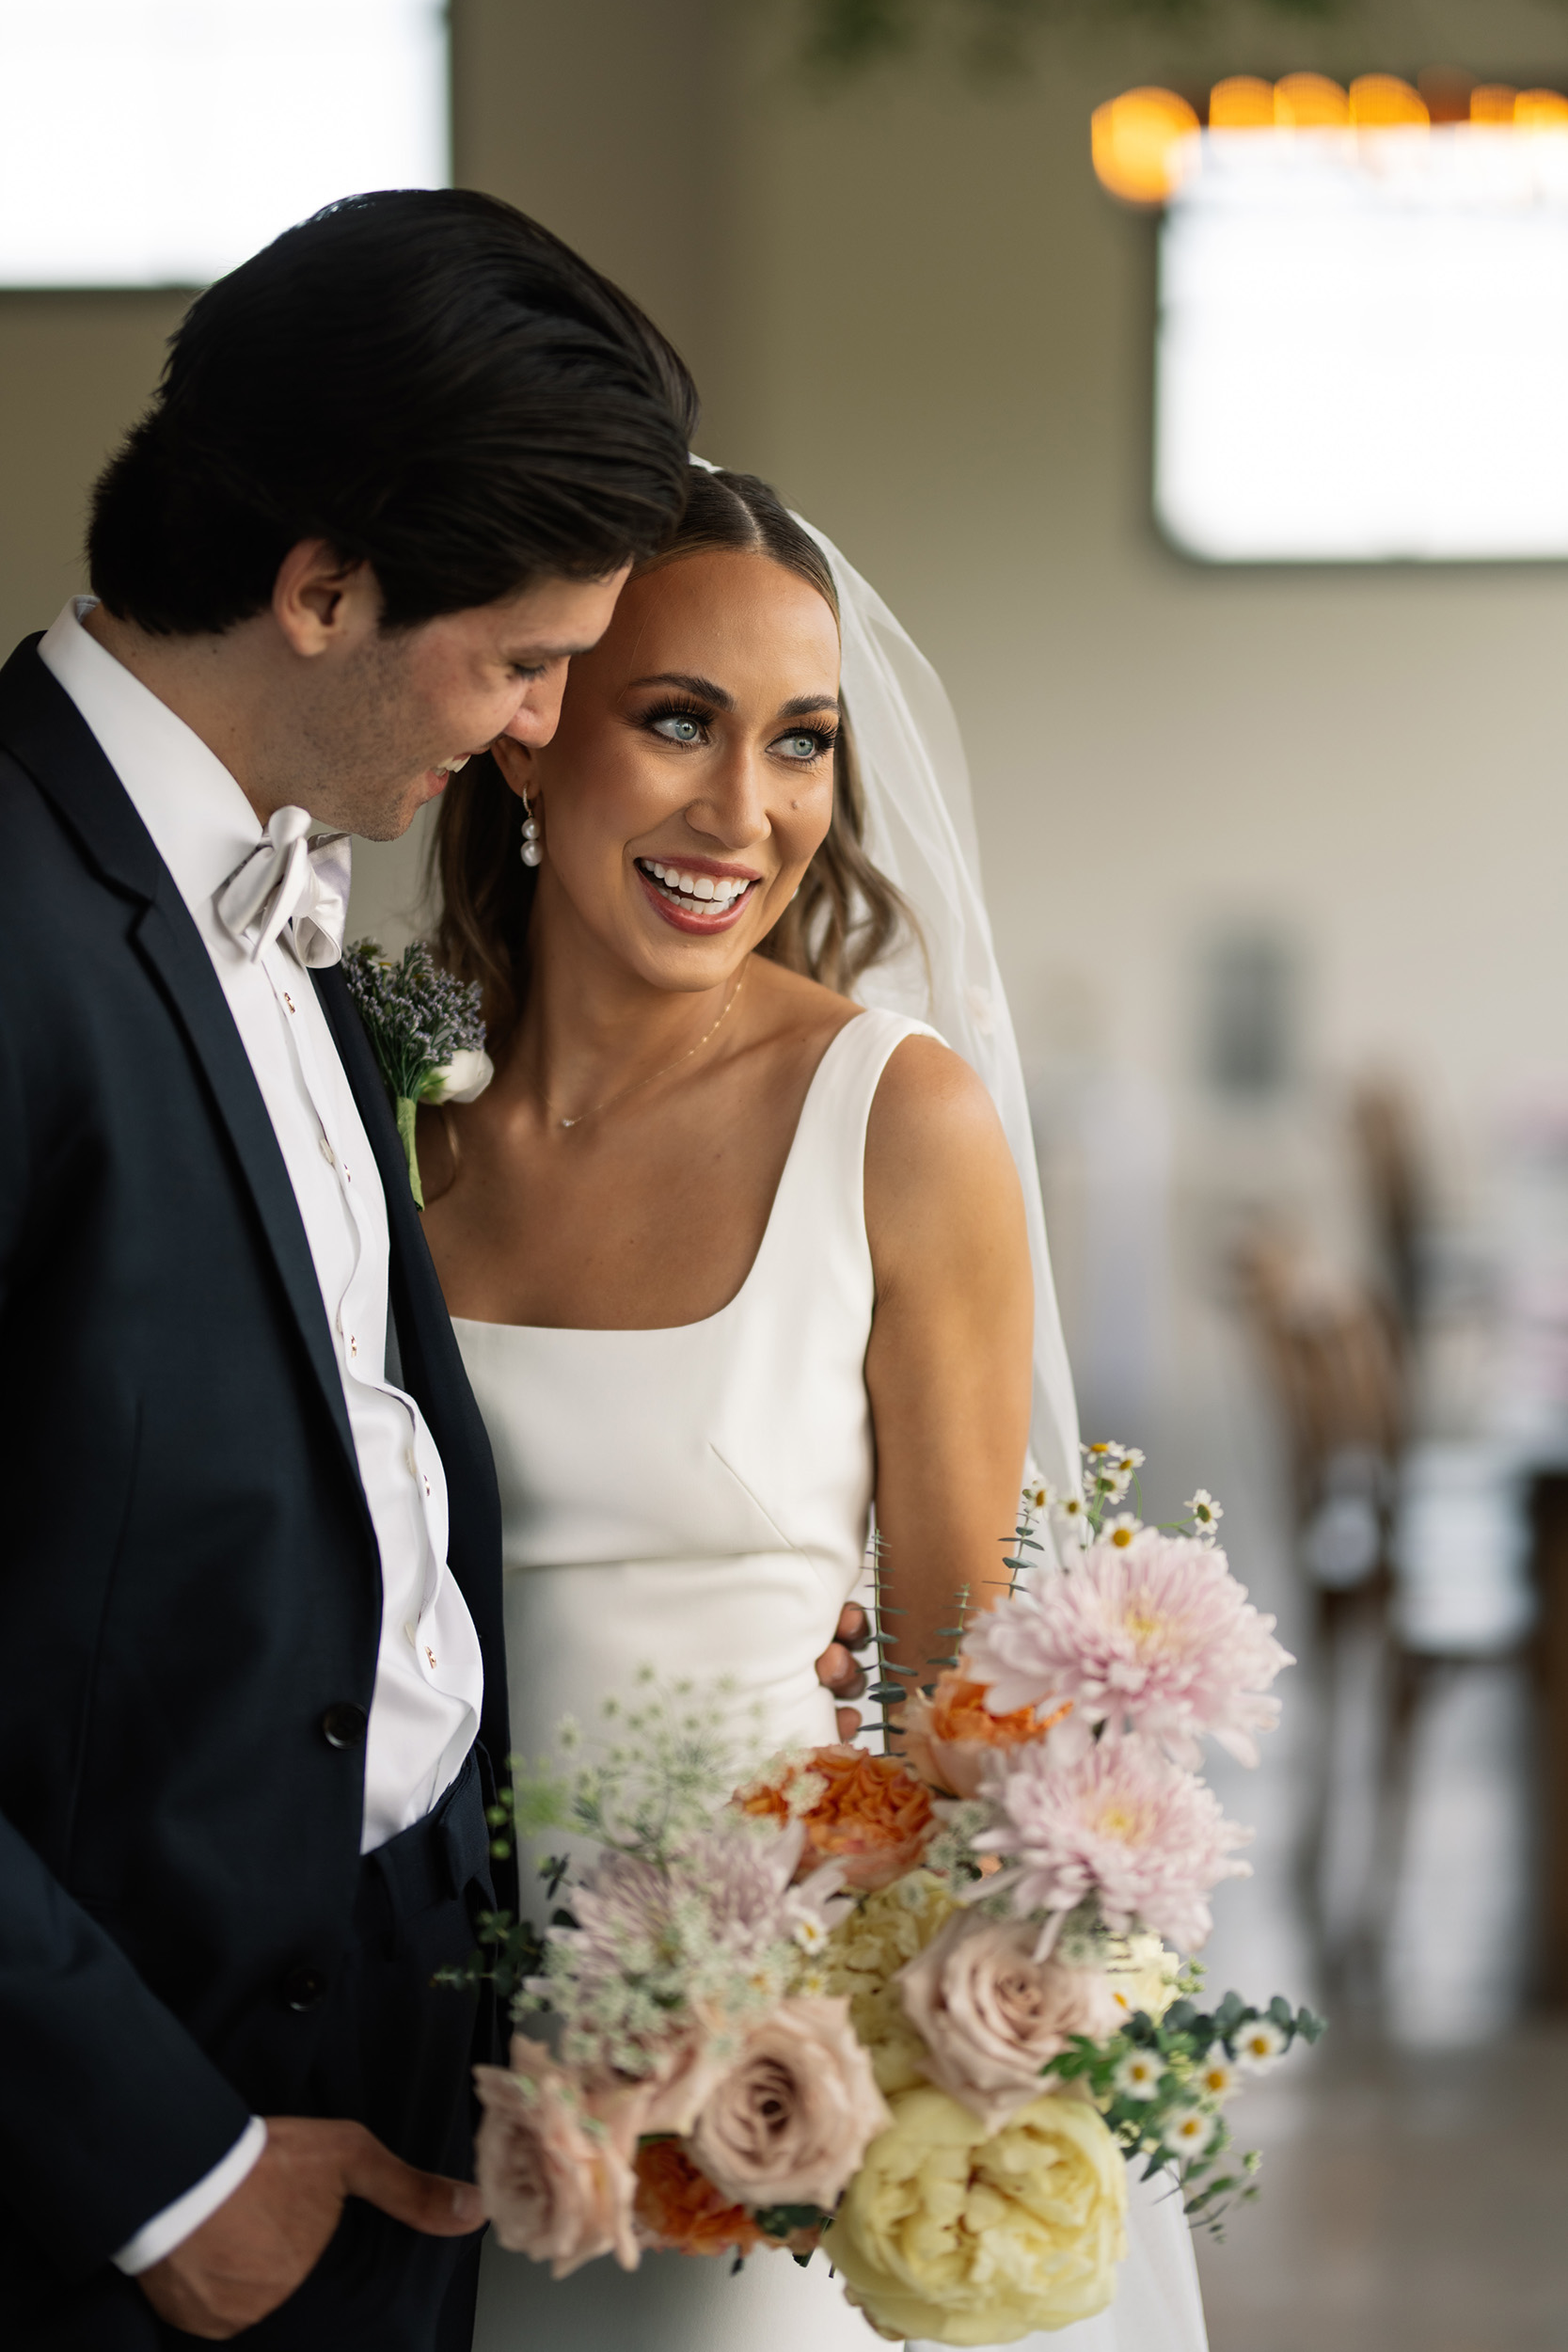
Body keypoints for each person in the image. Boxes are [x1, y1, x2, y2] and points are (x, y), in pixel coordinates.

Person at [0, 188, 703, 2352]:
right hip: (119, 2185)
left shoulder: (278, 900)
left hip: (391, 2084)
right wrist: (160, 2170)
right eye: (519, 661)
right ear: (321, 586)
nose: (532, 732)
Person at [419, 464, 1210, 2352]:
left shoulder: (896, 1121)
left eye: (801, 743)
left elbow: (970, 1698)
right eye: (676, 720)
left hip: (749, 2102)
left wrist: (852, 2047)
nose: (744, 810)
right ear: (529, 738)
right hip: (414, 2081)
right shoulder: (384, 1120)